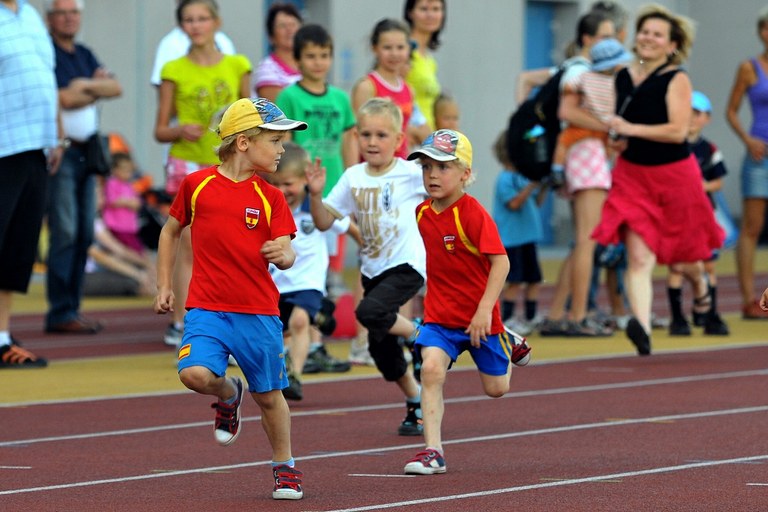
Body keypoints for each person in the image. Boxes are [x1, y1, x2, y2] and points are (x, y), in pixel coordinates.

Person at [153, 97, 307, 500]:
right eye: (274, 140)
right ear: (243, 142)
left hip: (257, 313)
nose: (281, 149)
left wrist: (283, 254)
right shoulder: (197, 185)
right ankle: (227, 393)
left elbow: (288, 250)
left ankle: (285, 467)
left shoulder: (270, 197)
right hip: (207, 308)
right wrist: (165, 284)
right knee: (193, 375)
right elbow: (170, 231)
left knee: (270, 397)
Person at [592, 4, 723, 356]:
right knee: (639, 258)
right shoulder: (622, 76)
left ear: (671, 44)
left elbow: (678, 131)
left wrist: (630, 129)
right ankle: (643, 328)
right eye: (645, 31)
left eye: (657, 34)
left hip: (675, 176)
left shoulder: (676, 78)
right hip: (633, 176)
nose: (648, 38)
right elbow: (621, 127)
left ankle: (702, 290)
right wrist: (617, 139)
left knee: (684, 260)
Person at [402, 129, 531, 475]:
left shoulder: (472, 214)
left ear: (465, 174)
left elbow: (500, 262)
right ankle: (433, 451)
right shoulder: (421, 213)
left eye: (442, 168)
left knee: (496, 389)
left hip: (480, 318)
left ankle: (508, 339)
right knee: (430, 370)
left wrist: (485, 310)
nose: (432, 175)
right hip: (441, 319)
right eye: (426, 167)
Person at [305, 97, 426, 436]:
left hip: (406, 265)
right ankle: (415, 401)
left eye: (382, 136)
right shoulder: (353, 176)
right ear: (356, 137)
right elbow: (326, 222)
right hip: (372, 270)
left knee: (369, 312)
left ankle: (423, 333)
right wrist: (315, 195)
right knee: (381, 350)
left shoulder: (411, 173)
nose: (373, 142)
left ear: (399, 140)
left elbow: (443, 189)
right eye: (367, 135)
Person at [154, 0, 251, 347]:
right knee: (189, 242)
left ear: (216, 21)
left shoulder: (238, 65)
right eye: (189, 20)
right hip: (187, 163)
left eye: (202, 19)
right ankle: (182, 320)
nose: (196, 26)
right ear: (182, 26)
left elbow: (251, 118)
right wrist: (180, 130)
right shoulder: (173, 69)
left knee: (225, 241)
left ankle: (222, 316)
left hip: (226, 164)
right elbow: (160, 129)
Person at [533, 11, 617, 337]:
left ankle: (556, 313)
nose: (611, 43)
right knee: (587, 239)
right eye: (605, 36)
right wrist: (608, 127)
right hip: (587, 158)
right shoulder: (582, 71)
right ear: (587, 39)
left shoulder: (570, 68)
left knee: (580, 239)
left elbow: (526, 80)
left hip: (576, 157)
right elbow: (567, 111)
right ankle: (579, 315)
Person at [45, 0, 122, 334]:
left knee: (85, 233)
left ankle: (72, 308)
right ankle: (60, 311)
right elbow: (61, 99)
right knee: (65, 232)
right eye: (62, 12)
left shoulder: (85, 53)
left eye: (73, 12)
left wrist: (82, 88)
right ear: (50, 18)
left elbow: (115, 88)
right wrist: (93, 88)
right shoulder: (47, 52)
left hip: (86, 155)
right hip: (61, 152)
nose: (68, 18)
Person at [264, 142, 359, 401]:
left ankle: (294, 375)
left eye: (289, 184)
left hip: (309, 282)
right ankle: (286, 365)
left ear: (305, 180)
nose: (283, 191)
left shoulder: (316, 208)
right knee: (277, 332)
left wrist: (368, 246)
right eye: (277, 184)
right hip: (278, 283)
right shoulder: (269, 209)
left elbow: (346, 226)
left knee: (299, 322)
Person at [276, 23, 358, 321]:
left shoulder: (339, 98)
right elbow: (282, 142)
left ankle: (322, 303)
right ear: (297, 60)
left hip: (333, 183)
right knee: (306, 248)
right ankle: (307, 309)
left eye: (324, 55)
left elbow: (348, 139)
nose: (318, 62)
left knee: (333, 246)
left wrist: (353, 176)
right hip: (303, 187)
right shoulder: (289, 97)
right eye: (311, 56)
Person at [0, 0, 62, 368]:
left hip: (35, 144)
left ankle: (2, 337)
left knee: (15, 251)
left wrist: (56, 133)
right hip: (3, 146)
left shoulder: (31, 15)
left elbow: (46, 76)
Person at [666, 91, 729, 336]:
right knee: (677, 267)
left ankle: (710, 313)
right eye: (687, 112)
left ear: (707, 118)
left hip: (703, 216)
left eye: (697, 113)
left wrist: (698, 186)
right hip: (677, 215)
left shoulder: (708, 148)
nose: (691, 118)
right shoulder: (671, 146)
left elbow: (717, 182)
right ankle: (678, 318)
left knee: (708, 265)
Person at [726, 7, 768, 320]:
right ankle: (749, 299)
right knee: (752, 228)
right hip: (759, 156)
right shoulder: (749, 68)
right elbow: (731, 110)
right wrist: (747, 139)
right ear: (761, 31)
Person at [492, 130, 545, 336]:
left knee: (533, 279)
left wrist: (542, 187)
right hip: (511, 239)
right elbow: (514, 203)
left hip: (528, 236)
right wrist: (532, 185)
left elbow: (535, 203)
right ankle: (509, 318)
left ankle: (531, 316)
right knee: (515, 279)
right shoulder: (504, 179)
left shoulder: (521, 177)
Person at [352, 18, 420, 160]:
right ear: (375, 48)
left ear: (409, 49)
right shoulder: (367, 87)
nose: (394, 54)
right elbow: (354, 136)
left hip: (399, 168)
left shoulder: (408, 90)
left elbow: (404, 134)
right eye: (387, 48)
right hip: (372, 170)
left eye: (400, 47)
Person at [83, 215, 156, 297]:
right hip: (84, 277)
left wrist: (148, 265)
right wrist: (138, 275)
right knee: (134, 283)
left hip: (99, 271)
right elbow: (100, 257)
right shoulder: (78, 223)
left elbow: (120, 250)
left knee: (145, 276)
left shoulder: (95, 222)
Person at [403, 0, 445, 130]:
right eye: (424, 9)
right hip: (409, 135)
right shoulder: (403, 52)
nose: (430, 15)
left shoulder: (429, 59)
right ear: (410, 13)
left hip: (428, 138)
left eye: (436, 9)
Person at [253, 2, 302, 102]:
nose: (290, 30)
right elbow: (280, 108)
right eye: (282, 26)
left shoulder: (309, 64)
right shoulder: (267, 69)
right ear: (271, 36)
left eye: (293, 24)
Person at [102, 152, 144, 254]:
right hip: (117, 225)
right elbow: (111, 200)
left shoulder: (129, 185)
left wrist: (134, 203)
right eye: (125, 170)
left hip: (129, 226)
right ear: (115, 169)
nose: (128, 174)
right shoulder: (112, 183)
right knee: (132, 250)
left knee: (136, 249)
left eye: (130, 171)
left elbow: (137, 202)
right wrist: (128, 202)